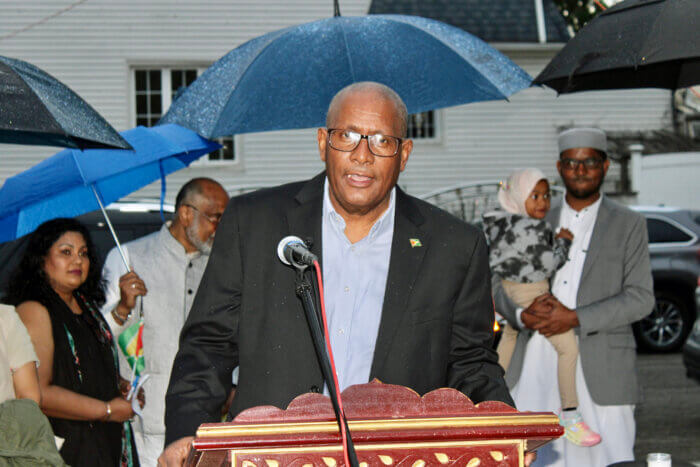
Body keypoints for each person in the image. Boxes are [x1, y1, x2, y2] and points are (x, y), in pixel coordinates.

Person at [160, 82, 519, 466]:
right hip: (270, 456)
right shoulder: (255, 224)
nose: (362, 155)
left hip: (395, 456)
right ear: (322, 143)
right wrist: (187, 432)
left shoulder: (454, 246)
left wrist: (507, 432)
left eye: (381, 140)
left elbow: (471, 362)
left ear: (404, 153)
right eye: (346, 136)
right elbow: (207, 347)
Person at [492, 128, 654, 466]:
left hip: (601, 369)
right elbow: (496, 283)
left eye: (589, 162)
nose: (580, 171)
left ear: (605, 166)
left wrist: (575, 317)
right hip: (532, 363)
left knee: (607, 459)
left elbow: (641, 298)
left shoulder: (629, 224)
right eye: (571, 163)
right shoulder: (533, 216)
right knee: (529, 458)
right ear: (559, 167)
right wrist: (522, 316)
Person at [101, 178, 229, 466]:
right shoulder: (129, 258)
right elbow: (101, 337)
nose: (219, 227)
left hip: (209, 417)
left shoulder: (222, 263)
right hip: (147, 416)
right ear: (186, 214)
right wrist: (123, 306)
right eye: (214, 217)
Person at [6, 218, 140, 466]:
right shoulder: (35, 310)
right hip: (64, 447)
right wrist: (108, 410)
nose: (77, 260)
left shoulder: (86, 306)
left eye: (83, 253)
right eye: (66, 252)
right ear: (42, 259)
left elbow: (82, 368)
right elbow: (38, 393)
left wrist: (118, 386)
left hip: (103, 442)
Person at [484, 168, 601, 447]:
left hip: (509, 291)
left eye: (546, 195)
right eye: (534, 196)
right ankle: (570, 415)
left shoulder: (498, 224)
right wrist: (563, 241)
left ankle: (488, 402)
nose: (543, 202)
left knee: (508, 341)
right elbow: (550, 263)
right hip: (532, 293)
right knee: (568, 348)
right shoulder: (535, 228)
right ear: (518, 196)